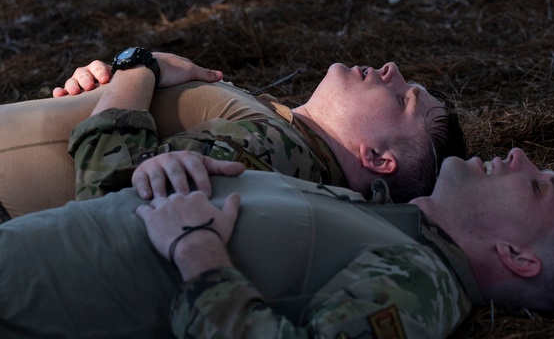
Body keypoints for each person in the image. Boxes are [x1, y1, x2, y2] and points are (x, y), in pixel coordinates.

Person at [0, 148, 554, 339]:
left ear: (517, 255)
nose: (519, 157)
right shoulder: (385, 216)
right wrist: (166, 168)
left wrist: (196, 251)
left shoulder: (422, 282)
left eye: (538, 184)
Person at [0, 49, 466, 221]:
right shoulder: (284, 131)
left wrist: (138, 66)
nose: (393, 70)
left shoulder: (284, 153)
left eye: (406, 99)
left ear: (378, 158)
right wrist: (106, 91)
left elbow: (109, 194)